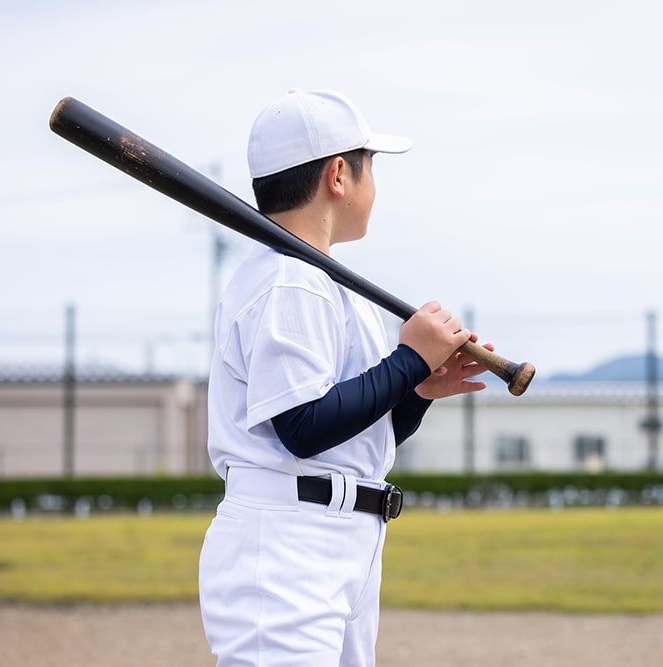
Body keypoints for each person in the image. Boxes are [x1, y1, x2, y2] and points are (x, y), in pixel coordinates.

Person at [198, 88, 492, 667]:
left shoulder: (326, 281)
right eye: (369, 168)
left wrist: (412, 392)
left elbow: (346, 436)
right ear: (339, 174)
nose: (373, 185)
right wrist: (407, 361)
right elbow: (301, 427)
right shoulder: (289, 280)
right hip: (286, 541)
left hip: (342, 536)